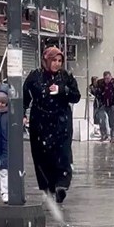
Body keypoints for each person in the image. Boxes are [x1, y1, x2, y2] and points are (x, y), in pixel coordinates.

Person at [24, 47, 81, 204]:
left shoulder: (65, 76)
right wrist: (22, 114)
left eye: (59, 61)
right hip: (40, 122)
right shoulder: (35, 76)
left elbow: (76, 96)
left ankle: (61, 185)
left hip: (60, 122)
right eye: (54, 60)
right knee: (42, 156)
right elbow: (24, 96)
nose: (57, 64)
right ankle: (48, 187)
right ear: (46, 60)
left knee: (62, 154)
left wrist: (62, 90)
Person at [95, 71, 114, 143]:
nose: (106, 80)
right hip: (103, 104)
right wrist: (100, 102)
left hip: (112, 104)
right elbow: (97, 93)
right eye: (105, 78)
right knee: (102, 120)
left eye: (108, 78)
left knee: (113, 121)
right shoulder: (100, 84)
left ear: (111, 77)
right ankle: (104, 135)